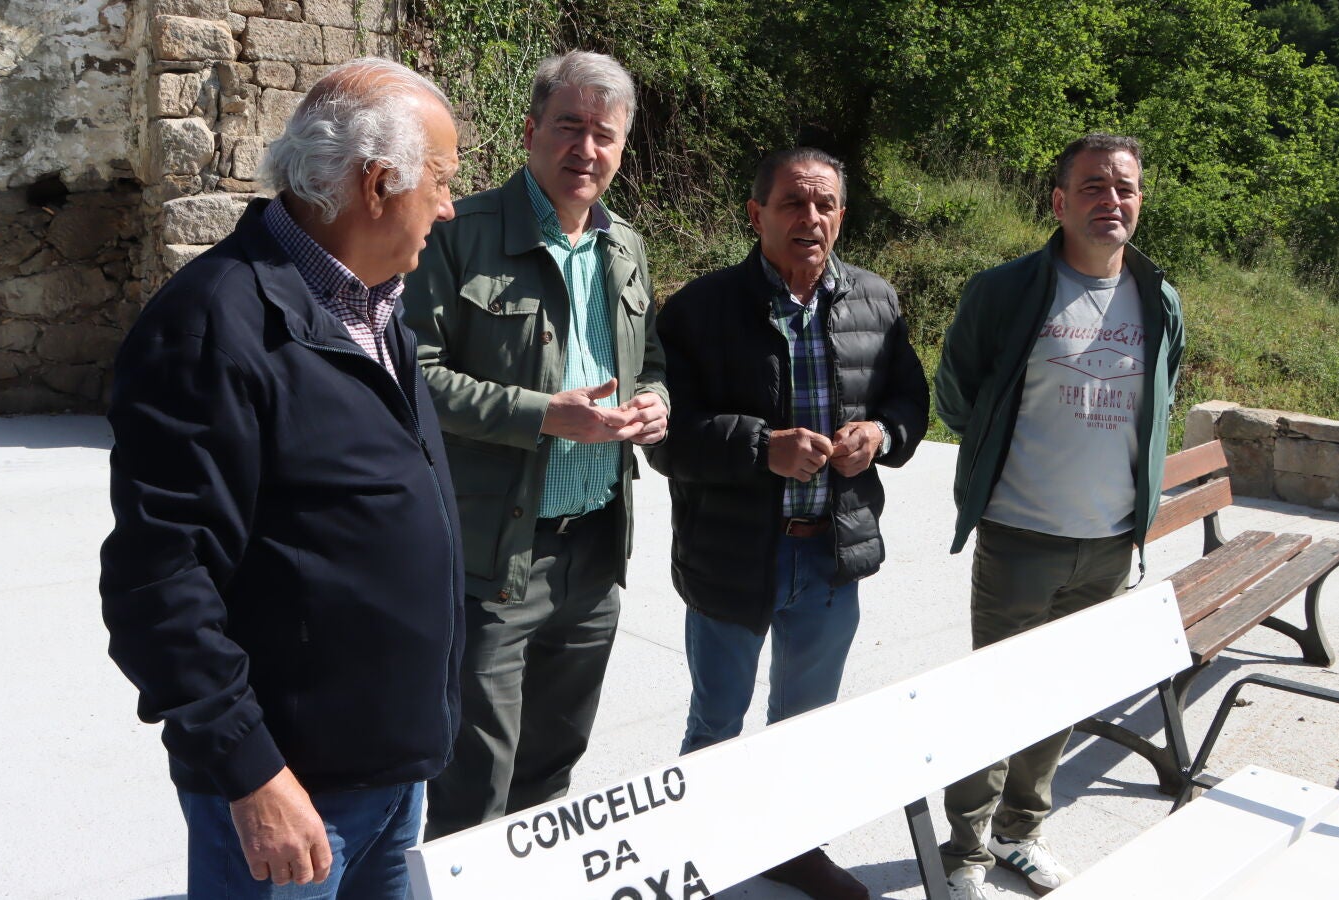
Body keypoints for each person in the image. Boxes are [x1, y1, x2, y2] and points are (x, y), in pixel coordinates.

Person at [99, 58, 465, 900]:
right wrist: (252, 772)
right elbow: (158, 581)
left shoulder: (375, 306)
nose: (449, 206)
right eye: (441, 181)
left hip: (388, 773)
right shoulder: (212, 325)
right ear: (377, 183)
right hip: (294, 799)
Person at [646, 147, 928, 900]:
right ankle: (698, 851)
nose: (811, 218)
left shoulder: (876, 301)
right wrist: (758, 448)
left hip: (830, 556)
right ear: (756, 214)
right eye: (793, 203)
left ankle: (790, 846)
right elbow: (665, 438)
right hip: (733, 555)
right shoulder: (700, 310)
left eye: (825, 204)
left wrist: (882, 436)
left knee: (806, 724)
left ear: (842, 215)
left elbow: (911, 403)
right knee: (717, 722)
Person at [403, 50, 668, 839]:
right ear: (530, 132)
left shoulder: (626, 247)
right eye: (568, 127)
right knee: (473, 785)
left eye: (604, 134)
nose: (586, 148)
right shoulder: (461, 234)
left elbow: (652, 363)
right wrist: (541, 415)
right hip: (497, 558)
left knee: (552, 771)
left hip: (596, 550)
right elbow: (412, 379)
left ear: (622, 148)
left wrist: (656, 403)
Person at [933, 133, 1186, 899]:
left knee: (1060, 693)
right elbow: (958, 395)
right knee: (994, 694)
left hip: (1108, 541)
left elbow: (1159, 401)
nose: (1112, 200)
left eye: (1125, 187)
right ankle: (963, 852)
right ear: (1059, 202)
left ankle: (1021, 830)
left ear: (1140, 200)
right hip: (1021, 534)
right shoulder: (1006, 291)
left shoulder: (1159, 298)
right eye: (1093, 187)